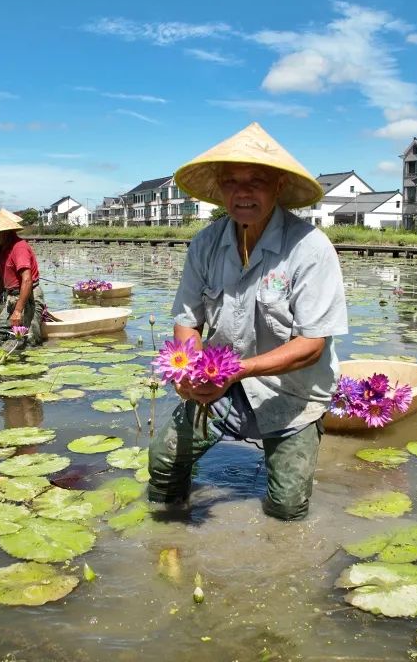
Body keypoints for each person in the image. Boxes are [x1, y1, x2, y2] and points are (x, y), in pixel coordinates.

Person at [148, 122, 348, 521]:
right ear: (220, 190)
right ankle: (164, 535)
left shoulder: (309, 247)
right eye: (232, 182)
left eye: (256, 180)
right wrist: (188, 374)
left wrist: (236, 371)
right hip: (217, 381)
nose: (243, 192)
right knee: (164, 464)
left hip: (291, 391)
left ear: (277, 187)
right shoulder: (205, 243)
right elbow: (188, 321)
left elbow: (311, 345)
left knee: (287, 506)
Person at [0, 209, 47, 348]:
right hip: (12, 297)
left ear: (6, 231)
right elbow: (0, 279)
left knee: (29, 342)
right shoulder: (2, 250)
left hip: (28, 297)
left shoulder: (19, 247)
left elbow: (27, 280)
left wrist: (18, 311)